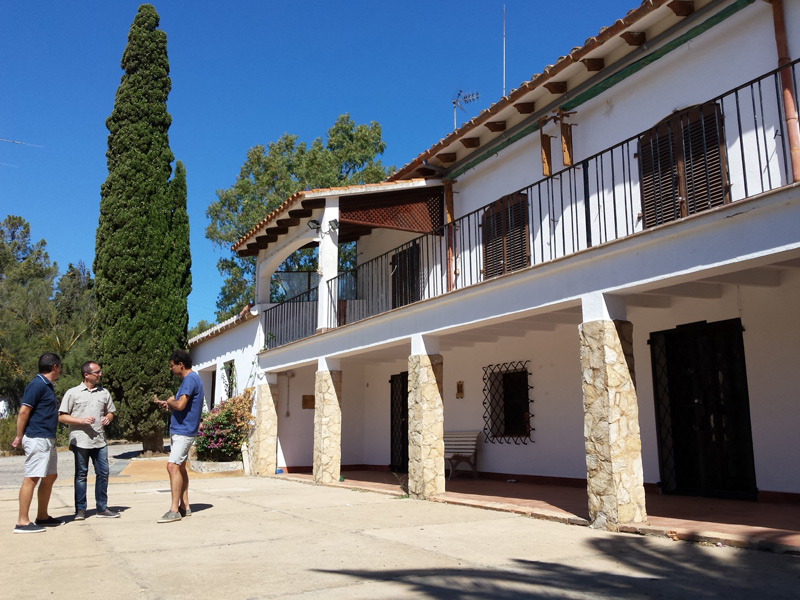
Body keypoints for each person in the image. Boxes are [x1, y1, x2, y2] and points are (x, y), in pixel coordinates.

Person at [58, 361, 119, 520]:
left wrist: (108, 418)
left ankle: (102, 508)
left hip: (99, 440)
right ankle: (80, 510)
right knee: (81, 474)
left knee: (103, 473)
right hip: (80, 441)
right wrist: (81, 420)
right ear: (86, 375)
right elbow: (62, 416)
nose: (100, 374)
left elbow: (111, 412)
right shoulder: (73, 393)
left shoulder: (104, 393)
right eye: (97, 372)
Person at [11, 353, 62, 533]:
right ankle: (22, 522)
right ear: (55, 367)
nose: (60, 371)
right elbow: (24, 412)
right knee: (32, 478)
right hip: (37, 437)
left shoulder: (46, 386)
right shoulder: (37, 385)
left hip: (47, 438)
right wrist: (19, 436)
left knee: (50, 476)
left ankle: (42, 516)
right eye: (59, 367)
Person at [154, 349, 204, 523]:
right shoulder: (191, 379)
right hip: (182, 430)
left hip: (184, 431)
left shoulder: (190, 379)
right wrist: (169, 405)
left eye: (172, 365)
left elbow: (181, 404)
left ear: (180, 365)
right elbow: (182, 405)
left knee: (172, 467)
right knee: (180, 467)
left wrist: (170, 401)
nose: (170, 369)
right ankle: (185, 506)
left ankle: (174, 510)